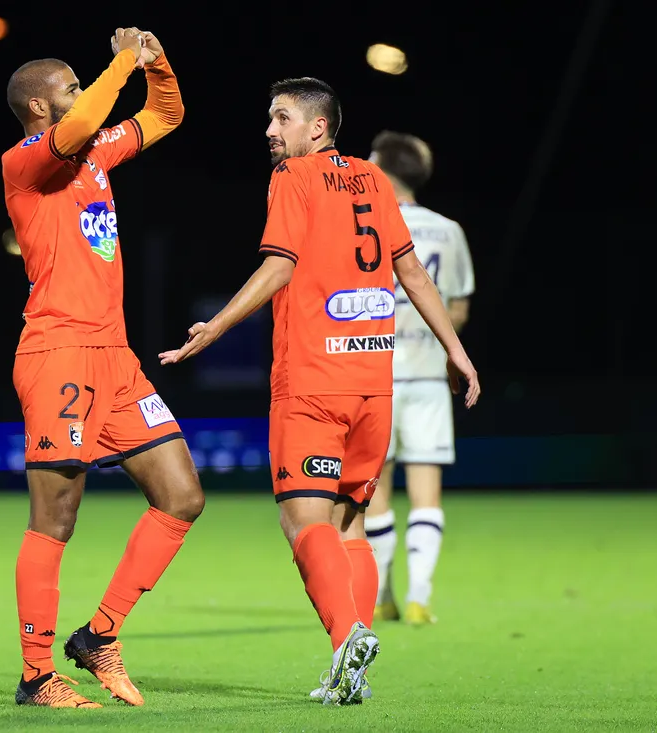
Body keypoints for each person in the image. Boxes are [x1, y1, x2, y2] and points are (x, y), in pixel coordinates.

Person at [160, 78, 480, 705]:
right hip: (373, 384)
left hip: (311, 382)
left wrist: (216, 329)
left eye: (281, 118)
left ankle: (347, 637)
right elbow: (408, 271)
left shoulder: (293, 180)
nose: (270, 130)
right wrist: (457, 351)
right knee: (349, 525)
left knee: (301, 519)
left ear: (318, 127)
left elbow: (279, 265)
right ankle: (350, 670)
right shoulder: (374, 180)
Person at [2, 28, 204, 709]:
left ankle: (98, 635)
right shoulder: (27, 160)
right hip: (57, 351)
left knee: (181, 496)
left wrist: (156, 61)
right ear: (39, 107)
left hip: (115, 359)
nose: (83, 96)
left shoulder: (95, 154)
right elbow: (88, 118)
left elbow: (166, 114)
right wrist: (119, 62)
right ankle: (36, 675)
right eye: (69, 88)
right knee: (55, 517)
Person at [362, 131, 476, 626]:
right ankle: (419, 599)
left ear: (382, 169)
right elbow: (459, 308)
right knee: (427, 488)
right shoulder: (448, 230)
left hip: (373, 373)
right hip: (430, 375)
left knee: (375, 489)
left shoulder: (366, 221)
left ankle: (381, 595)